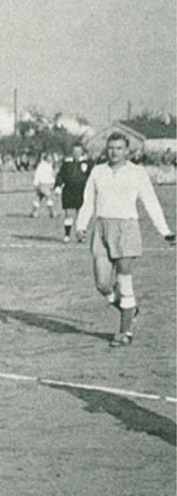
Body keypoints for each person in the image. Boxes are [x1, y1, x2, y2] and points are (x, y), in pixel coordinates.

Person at [75, 133, 175, 347]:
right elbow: (88, 202)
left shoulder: (137, 173)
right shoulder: (98, 172)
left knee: (124, 281)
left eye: (119, 148)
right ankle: (128, 308)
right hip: (102, 228)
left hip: (127, 228)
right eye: (111, 148)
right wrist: (81, 226)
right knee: (102, 283)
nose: (114, 152)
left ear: (127, 151)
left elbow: (151, 202)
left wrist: (164, 231)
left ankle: (125, 331)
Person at [55, 143, 92, 243]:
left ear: (82, 152)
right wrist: (58, 185)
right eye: (74, 151)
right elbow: (60, 175)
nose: (76, 153)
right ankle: (67, 235)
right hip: (69, 191)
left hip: (82, 191)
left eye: (78, 151)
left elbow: (91, 177)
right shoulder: (67, 164)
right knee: (69, 213)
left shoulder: (87, 164)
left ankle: (81, 236)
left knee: (81, 215)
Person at [31, 153, 56, 218]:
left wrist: (52, 183)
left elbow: (51, 176)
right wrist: (36, 183)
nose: (50, 159)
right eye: (49, 157)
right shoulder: (41, 165)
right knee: (49, 197)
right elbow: (37, 174)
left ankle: (34, 213)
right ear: (46, 158)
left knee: (38, 198)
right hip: (42, 184)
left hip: (47, 184)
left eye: (51, 157)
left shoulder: (50, 165)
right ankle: (52, 213)